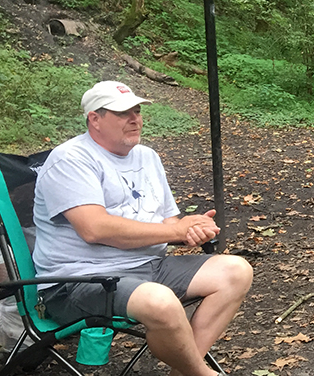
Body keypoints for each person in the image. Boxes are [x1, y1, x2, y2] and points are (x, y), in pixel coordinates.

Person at [32, 81, 253, 376]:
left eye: (136, 111)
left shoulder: (147, 157)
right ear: (94, 119)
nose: (135, 119)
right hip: (80, 281)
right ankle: (202, 374)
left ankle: (184, 372)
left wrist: (189, 230)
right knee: (160, 302)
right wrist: (175, 232)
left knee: (236, 271)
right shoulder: (70, 159)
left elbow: (167, 222)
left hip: (147, 266)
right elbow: (95, 229)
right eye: (123, 113)